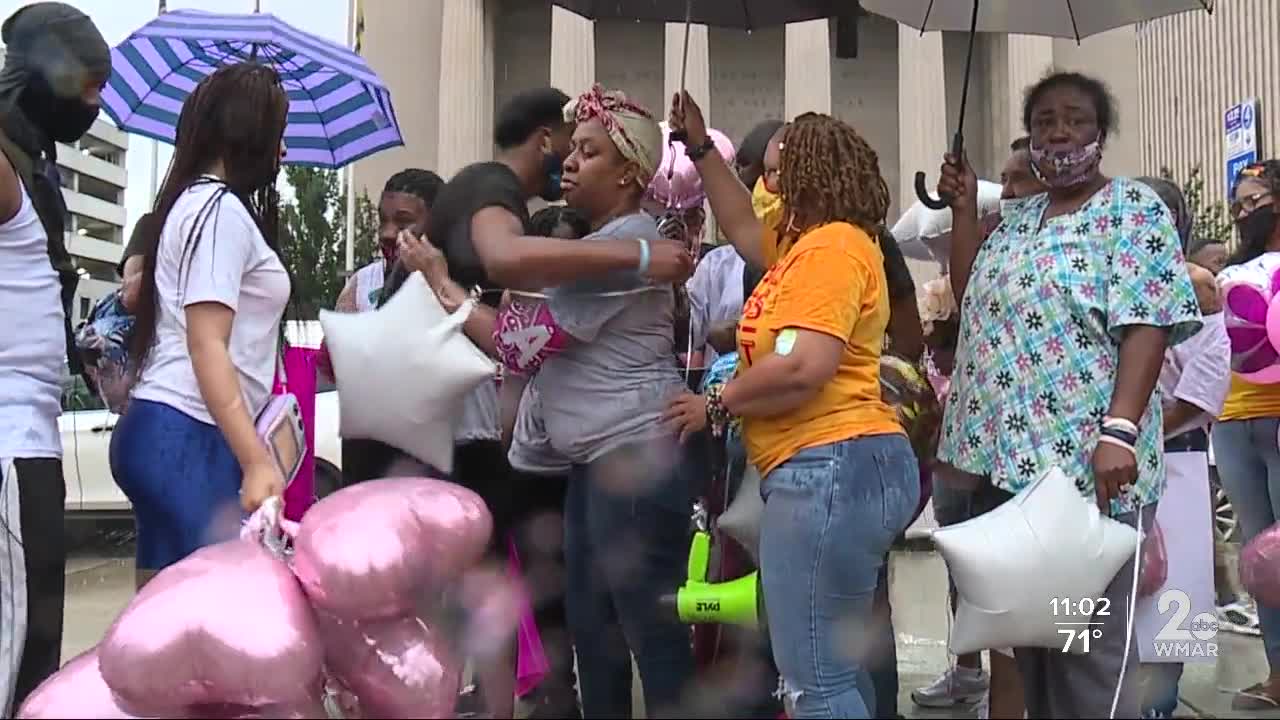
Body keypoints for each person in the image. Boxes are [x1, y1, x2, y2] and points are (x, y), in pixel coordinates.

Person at [933, 71, 1201, 718]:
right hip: (1010, 474)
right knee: (1029, 655)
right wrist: (965, 210)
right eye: (1046, 119)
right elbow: (975, 298)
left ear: (1100, 134)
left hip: (1089, 474)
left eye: (1075, 119)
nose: (1059, 131)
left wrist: (1120, 431)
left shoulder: (1132, 210)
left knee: (1090, 666)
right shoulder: (1016, 219)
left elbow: (1147, 319)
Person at [667, 94, 920, 719]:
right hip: (834, 467)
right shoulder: (804, 247)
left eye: (775, 170)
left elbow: (805, 366)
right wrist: (700, 148)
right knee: (834, 670)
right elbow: (743, 229)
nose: (763, 181)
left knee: (813, 679)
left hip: (828, 466)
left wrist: (716, 403)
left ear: (808, 175)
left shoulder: (832, 249)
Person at [111, 63, 291, 588]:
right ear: (249, 132)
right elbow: (207, 344)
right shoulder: (218, 212)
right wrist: (256, 461)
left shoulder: (189, 205)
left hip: (161, 427)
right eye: (277, 135)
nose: (281, 152)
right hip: (188, 432)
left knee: (163, 619)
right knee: (213, 620)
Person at [0, 2, 109, 712]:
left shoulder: (35, 164)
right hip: (6, 435)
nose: (96, 104)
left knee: (37, 638)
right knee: (17, 641)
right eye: (87, 84)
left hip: (32, 434)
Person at [913, 136, 1042, 720]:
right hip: (993, 462)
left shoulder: (1086, 247)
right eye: (1004, 182)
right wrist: (962, 209)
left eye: (1019, 181)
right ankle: (980, 683)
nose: (1007, 194)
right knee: (1009, 629)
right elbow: (971, 292)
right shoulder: (997, 252)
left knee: (1064, 632)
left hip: (1058, 472)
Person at [1131, 176, 1230, 720]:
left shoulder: (1198, 290)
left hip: (1175, 461)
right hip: (1102, 463)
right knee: (1096, 608)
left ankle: (1158, 708)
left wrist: (1126, 428)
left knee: (1170, 603)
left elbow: (1201, 392)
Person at [324, 168, 445, 485]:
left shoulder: (452, 286)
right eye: (382, 220)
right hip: (368, 452)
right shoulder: (363, 283)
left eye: (404, 222)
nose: (387, 233)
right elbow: (334, 363)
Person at [1212, 159, 1280, 710]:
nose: (1242, 210)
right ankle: (1278, 673)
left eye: (1255, 199)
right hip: (1234, 422)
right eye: (1238, 200)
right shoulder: (1231, 269)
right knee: (1261, 559)